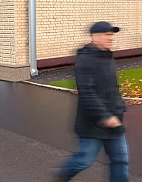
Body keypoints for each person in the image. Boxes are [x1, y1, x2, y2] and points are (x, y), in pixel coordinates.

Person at [55, 21, 128, 182]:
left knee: (121, 160)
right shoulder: (84, 61)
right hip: (92, 124)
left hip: (114, 120)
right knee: (85, 160)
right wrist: (105, 117)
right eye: (107, 35)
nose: (111, 38)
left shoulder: (107, 57)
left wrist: (120, 106)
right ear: (95, 37)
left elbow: (113, 86)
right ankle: (61, 176)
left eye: (112, 35)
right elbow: (87, 93)